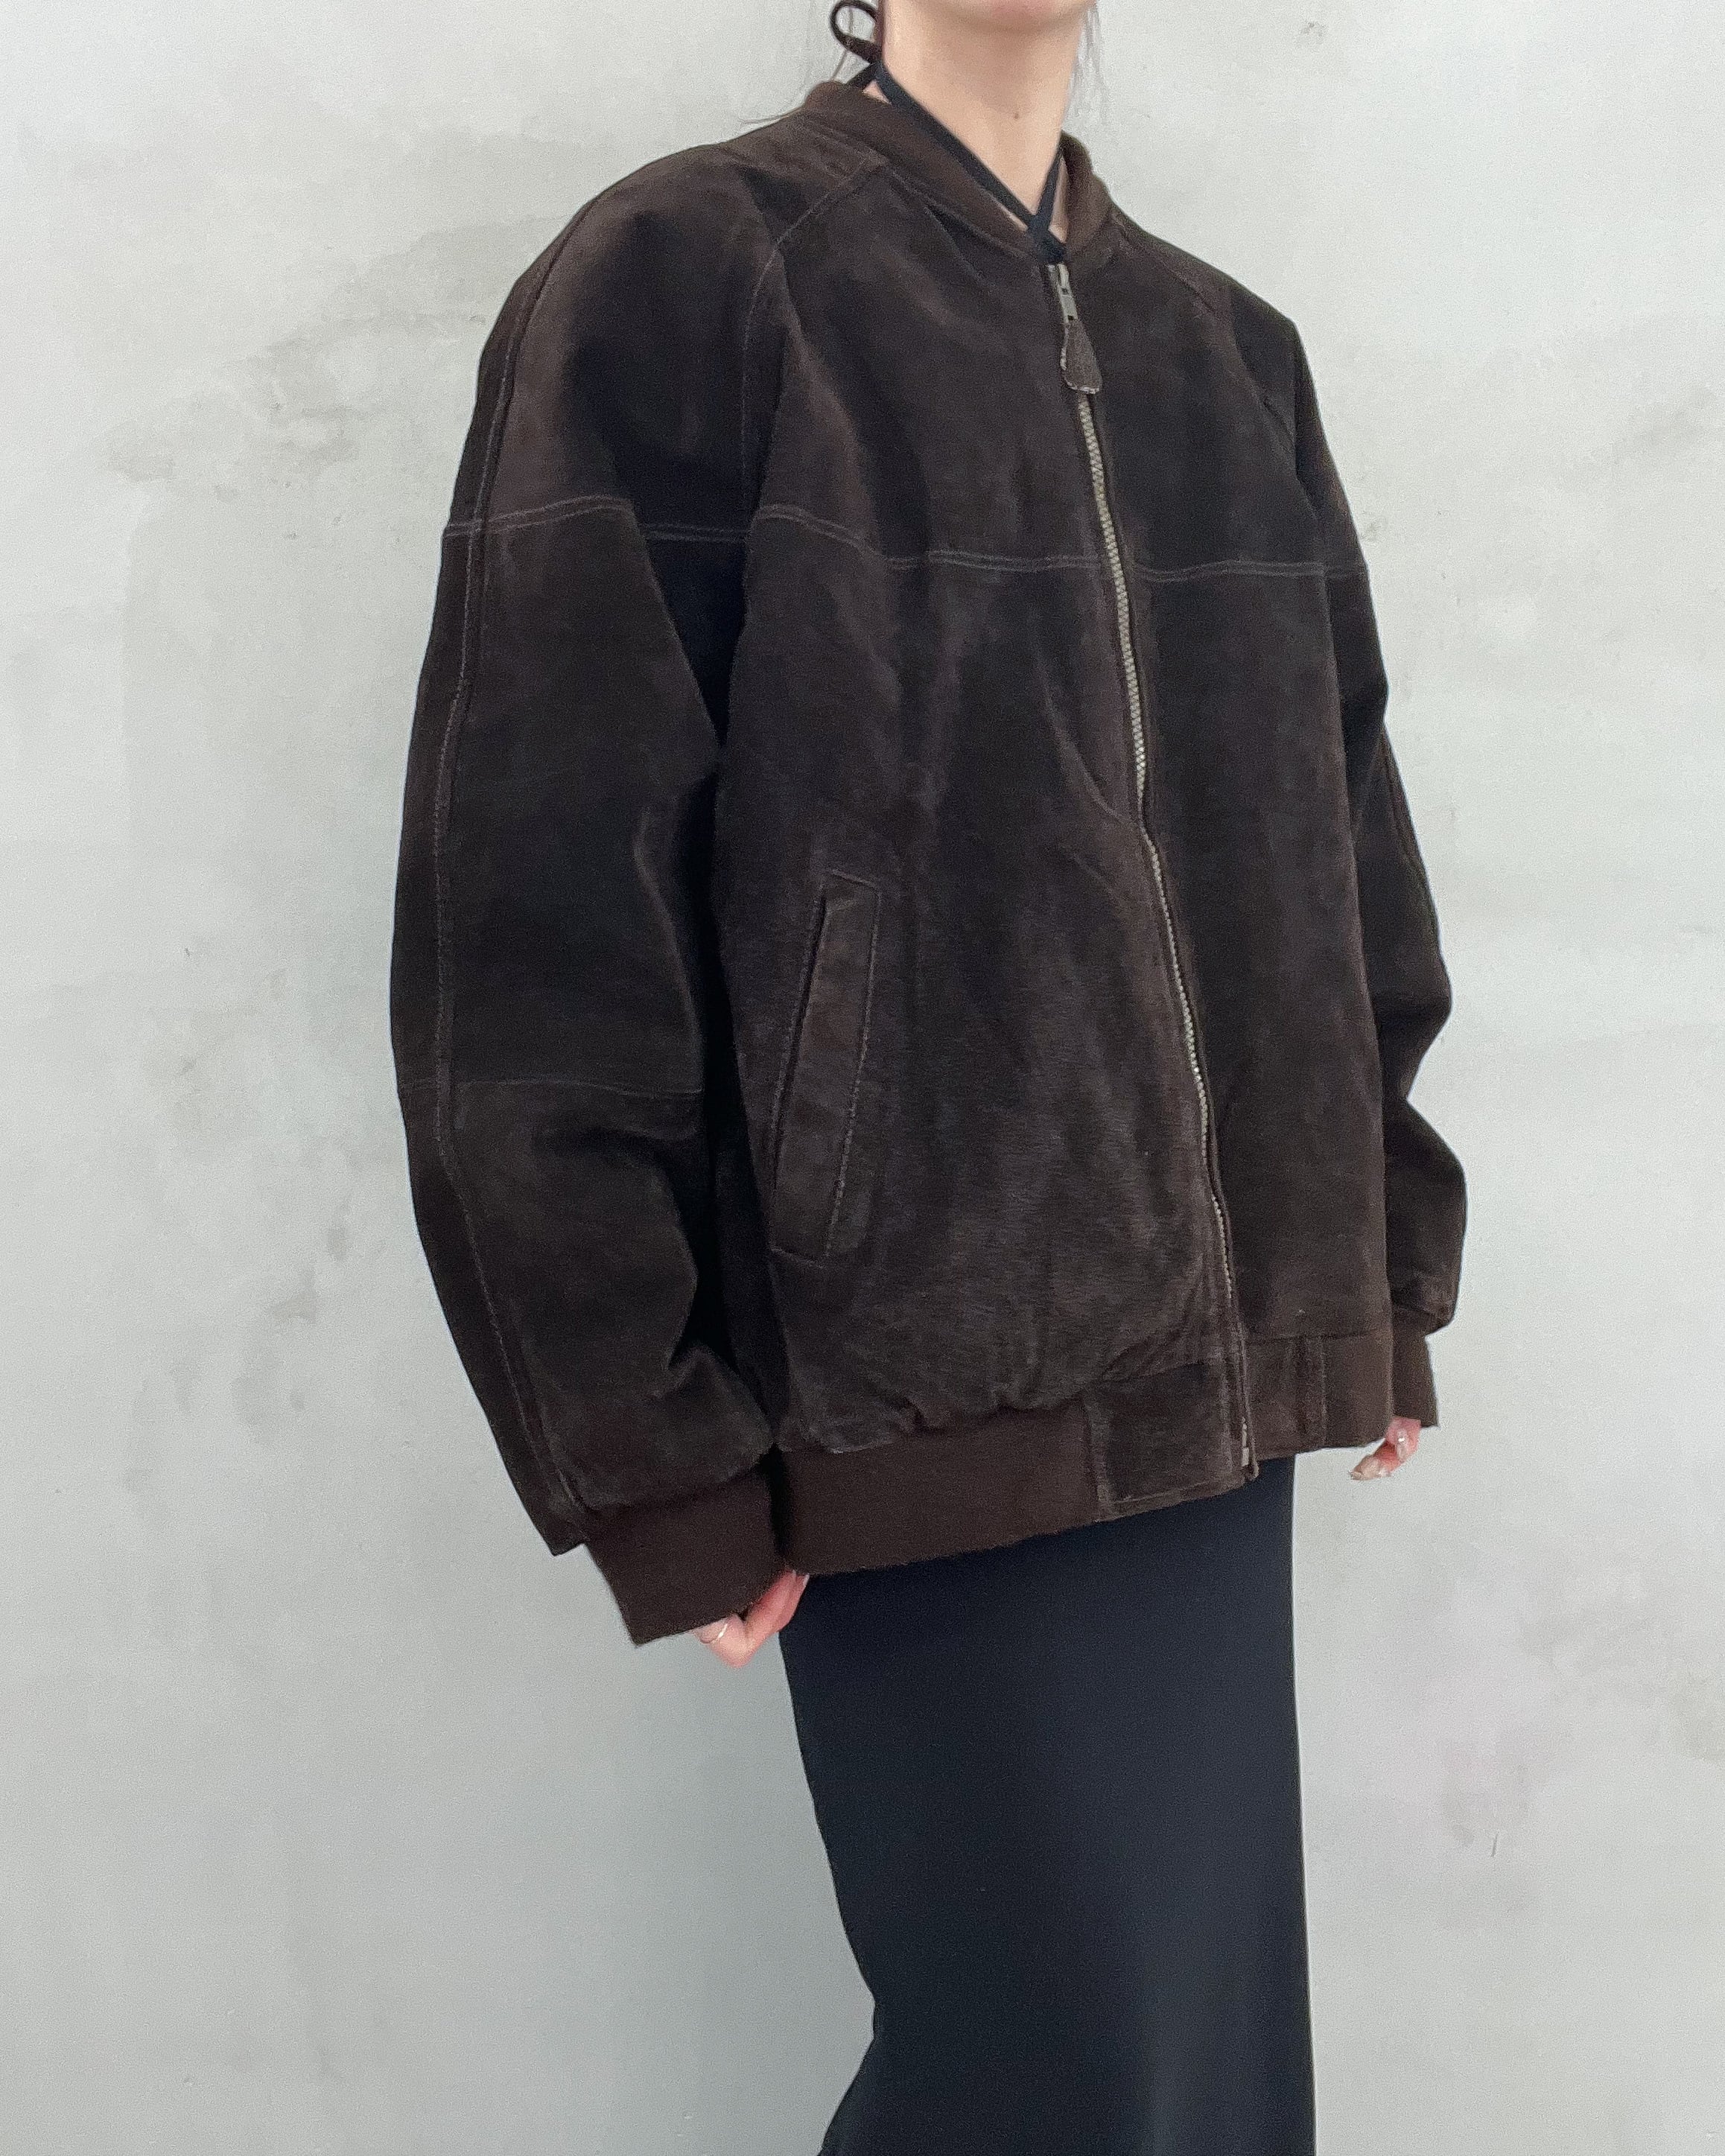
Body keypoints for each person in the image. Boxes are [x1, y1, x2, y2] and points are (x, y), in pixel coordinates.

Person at [388, 1, 1467, 2147]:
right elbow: (533, 906)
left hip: (1222, 1407)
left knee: (1199, 2087)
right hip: (920, 1391)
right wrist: (646, 1449)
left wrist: (1373, 1268)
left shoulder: (1225, 353)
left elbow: (1338, 838)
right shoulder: (689, 281)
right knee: (1059, 2086)